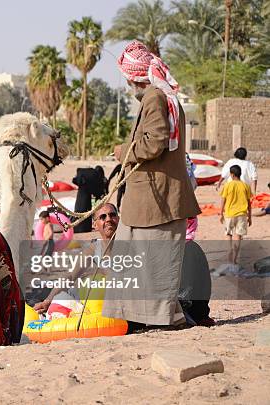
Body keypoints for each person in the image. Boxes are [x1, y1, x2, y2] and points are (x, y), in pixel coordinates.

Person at [107, 40, 201, 328]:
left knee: (154, 268)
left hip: (156, 199)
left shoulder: (154, 98)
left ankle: (165, 322)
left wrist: (124, 152)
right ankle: (144, 320)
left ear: (132, 77)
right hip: (150, 199)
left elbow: (156, 142)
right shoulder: (162, 97)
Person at [34, 203, 119, 314]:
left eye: (112, 215)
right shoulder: (94, 249)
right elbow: (69, 276)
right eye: (103, 217)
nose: (108, 219)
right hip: (100, 305)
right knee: (65, 295)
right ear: (95, 225)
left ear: (118, 219)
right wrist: (48, 301)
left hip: (121, 302)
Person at [219, 165, 252, 264]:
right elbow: (249, 203)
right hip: (242, 214)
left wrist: (221, 213)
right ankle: (234, 259)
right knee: (238, 236)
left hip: (229, 214)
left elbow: (223, 200)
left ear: (232, 175)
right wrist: (250, 217)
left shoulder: (228, 185)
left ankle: (229, 249)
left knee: (229, 234)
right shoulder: (246, 186)